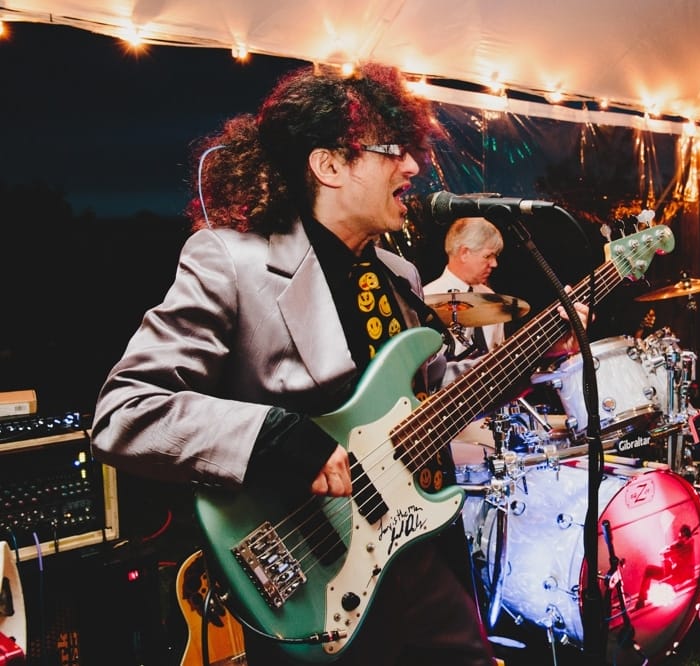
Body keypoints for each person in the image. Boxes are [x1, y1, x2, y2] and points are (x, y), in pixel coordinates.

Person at [89, 62, 585, 665]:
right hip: (306, 567)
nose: (412, 167)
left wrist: (538, 350)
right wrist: (275, 436)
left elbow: (433, 398)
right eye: (393, 151)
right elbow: (126, 411)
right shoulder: (231, 260)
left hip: (411, 552)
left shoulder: (399, 276)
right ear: (329, 166)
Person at [424, 217, 506, 360]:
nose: (494, 264)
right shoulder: (425, 300)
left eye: (495, 256)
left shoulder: (492, 298)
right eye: (488, 256)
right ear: (464, 253)